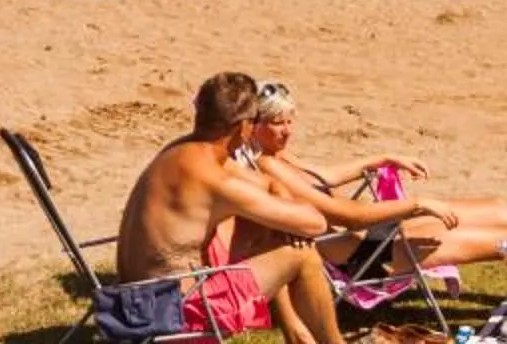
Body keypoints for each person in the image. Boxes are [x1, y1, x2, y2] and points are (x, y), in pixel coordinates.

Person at [111, 70, 348, 344]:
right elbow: (314, 223)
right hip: (172, 318)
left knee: (255, 225)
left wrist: (279, 195)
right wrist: (285, 221)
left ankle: (298, 334)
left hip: (129, 309)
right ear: (243, 127)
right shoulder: (215, 178)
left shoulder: (180, 151)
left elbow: (265, 184)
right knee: (302, 255)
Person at [236, 80, 507, 271]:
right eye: (277, 123)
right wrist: (418, 204)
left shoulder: (278, 155)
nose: (287, 130)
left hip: (375, 237)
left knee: (497, 209)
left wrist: (383, 158)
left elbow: (326, 176)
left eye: (290, 120)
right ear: (254, 126)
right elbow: (348, 216)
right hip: (366, 259)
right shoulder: (269, 168)